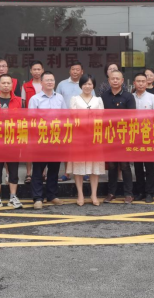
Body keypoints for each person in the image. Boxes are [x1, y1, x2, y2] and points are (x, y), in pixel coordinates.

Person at [29, 71, 67, 210]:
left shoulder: (60, 98)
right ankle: (38, 197)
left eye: (52, 80)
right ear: (42, 83)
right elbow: (31, 120)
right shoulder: (35, 99)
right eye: (47, 80)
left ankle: (52, 195)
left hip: (56, 138)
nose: (50, 82)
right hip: (40, 139)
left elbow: (65, 116)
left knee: (54, 168)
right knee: (38, 169)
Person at [0, 74, 24, 210]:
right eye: (3, 83)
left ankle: (13, 197)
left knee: (13, 171)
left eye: (8, 83)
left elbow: (24, 120)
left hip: (13, 141)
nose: (6, 85)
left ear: (12, 85)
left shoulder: (19, 101)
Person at [68, 74, 105, 206]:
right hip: (79, 136)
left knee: (95, 167)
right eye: (85, 84)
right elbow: (72, 118)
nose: (87, 86)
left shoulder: (98, 100)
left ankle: (94, 194)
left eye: (90, 84)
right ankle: (80, 194)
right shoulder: (74, 99)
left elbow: (102, 118)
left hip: (94, 137)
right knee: (78, 166)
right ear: (81, 85)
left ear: (93, 85)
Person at [101, 70, 136, 204]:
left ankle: (129, 194)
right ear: (108, 81)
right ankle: (111, 193)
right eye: (112, 78)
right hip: (109, 136)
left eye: (117, 79)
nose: (115, 81)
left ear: (122, 81)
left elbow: (132, 116)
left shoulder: (128, 96)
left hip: (124, 136)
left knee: (125, 165)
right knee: (112, 165)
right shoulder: (103, 96)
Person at [131, 72, 154, 203]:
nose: (141, 83)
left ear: (147, 82)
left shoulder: (152, 98)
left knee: (149, 167)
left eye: (143, 81)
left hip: (148, 135)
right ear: (134, 83)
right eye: (138, 81)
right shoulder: (130, 97)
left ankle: (149, 193)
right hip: (134, 136)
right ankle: (140, 192)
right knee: (137, 166)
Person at [55, 61, 84, 181]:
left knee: (81, 148)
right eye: (73, 69)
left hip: (82, 122)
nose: (75, 71)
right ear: (69, 71)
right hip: (65, 121)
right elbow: (57, 101)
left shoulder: (86, 84)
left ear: (82, 72)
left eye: (77, 69)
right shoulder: (62, 84)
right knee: (67, 148)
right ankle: (67, 173)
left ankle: (83, 172)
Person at [21, 60, 44, 183]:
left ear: (42, 70)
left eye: (39, 69)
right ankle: (29, 173)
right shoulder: (25, 86)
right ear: (30, 71)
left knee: (43, 147)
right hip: (30, 121)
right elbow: (23, 104)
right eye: (34, 69)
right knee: (29, 148)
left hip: (44, 122)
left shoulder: (46, 84)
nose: (36, 71)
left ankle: (43, 173)